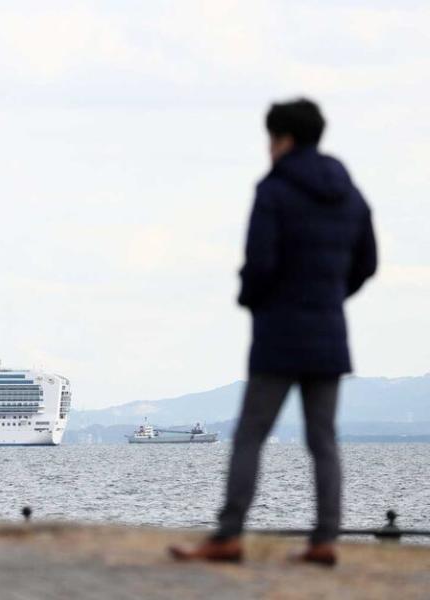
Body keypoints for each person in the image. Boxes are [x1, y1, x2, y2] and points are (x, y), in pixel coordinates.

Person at [169, 98, 378, 567]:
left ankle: (228, 535)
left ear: (282, 139)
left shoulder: (274, 189)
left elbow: (259, 263)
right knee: (323, 439)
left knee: (250, 435)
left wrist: (251, 299)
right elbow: (368, 262)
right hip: (328, 330)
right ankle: (325, 540)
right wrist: (332, 294)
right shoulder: (350, 192)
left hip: (280, 333)